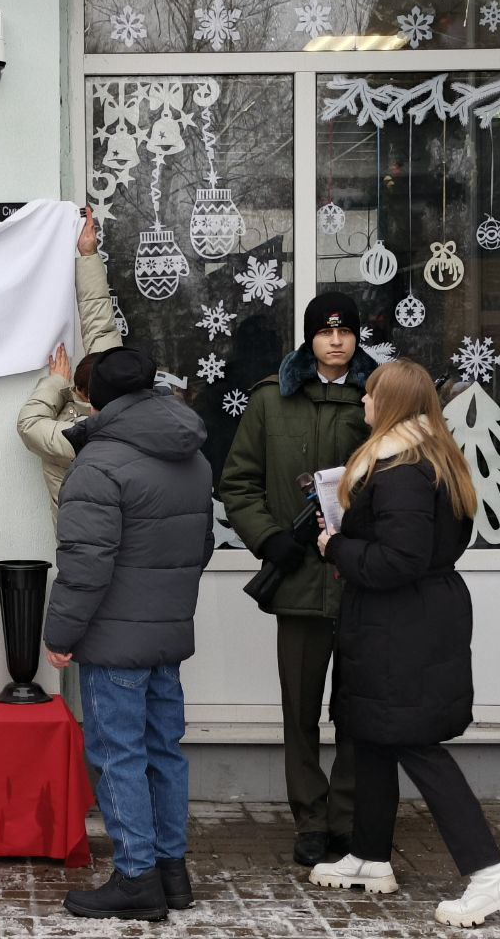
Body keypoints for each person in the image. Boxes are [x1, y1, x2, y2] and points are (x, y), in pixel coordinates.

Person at [310, 360, 500, 929]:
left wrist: (336, 547)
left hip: (401, 625)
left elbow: (400, 559)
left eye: (370, 395)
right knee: (373, 736)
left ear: (391, 404)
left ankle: (490, 875)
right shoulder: (430, 457)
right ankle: (369, 856)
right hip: (402, 621)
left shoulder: (403, 470)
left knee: (414, 744)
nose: (363, 402)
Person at [43, 347, 214, 922]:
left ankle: (137, 877)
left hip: (115, 638)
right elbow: (198, 547)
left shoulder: (99, 463)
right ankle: (172, 873)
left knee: (118, 755)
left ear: (94, 398)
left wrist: (61, 633)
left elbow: (84, 564)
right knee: (164, 751)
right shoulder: (192, 454)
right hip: (166, 631)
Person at [218, 291, 376, 867]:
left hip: (363, 581)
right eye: (325, 332)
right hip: (299, 580)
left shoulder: (378, 398)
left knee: (357, 709)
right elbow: (238, 482)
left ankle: (347, 820)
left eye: (345, 331)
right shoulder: (271, 399)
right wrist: (269, 538)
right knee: (301, 711)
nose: (336, 341)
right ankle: (311, 819)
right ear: (309, 338)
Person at [16, 206, 123, 522]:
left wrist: (56, 383)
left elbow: (29, 424)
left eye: (77, 388)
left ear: (86, 395)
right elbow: (99, 325)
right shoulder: (126, 403)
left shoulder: (77, 438)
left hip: (83, 544)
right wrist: (87, 254)